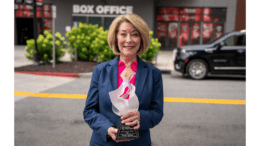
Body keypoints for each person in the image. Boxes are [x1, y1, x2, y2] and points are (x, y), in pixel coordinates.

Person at [83, 13, 164, 146]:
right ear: (115, 37)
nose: (128, 40)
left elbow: (157, 112)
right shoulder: (100, 71)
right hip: (104, 142)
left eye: (135, 34)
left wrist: (141, 117)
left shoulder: (153, 73)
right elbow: (89, 111)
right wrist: (107, 129)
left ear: (142, 39)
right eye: (123, 34)